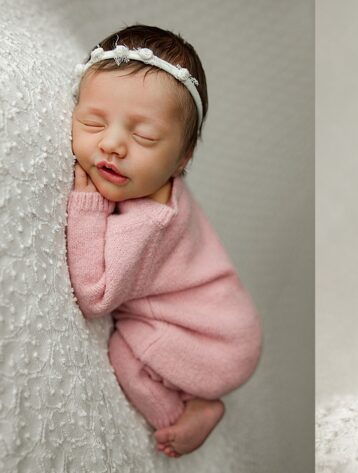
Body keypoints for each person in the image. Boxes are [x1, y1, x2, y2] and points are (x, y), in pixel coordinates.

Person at [66, 24, 262, 457]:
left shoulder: (150, 224)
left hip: (210, 343)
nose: (113, 144)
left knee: (124, 354)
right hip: (226, 323)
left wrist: (87, 204)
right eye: (93, 122)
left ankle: (195, 412)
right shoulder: (152, 180)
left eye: (144, 137)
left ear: (182, 158)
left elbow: (94, 296)